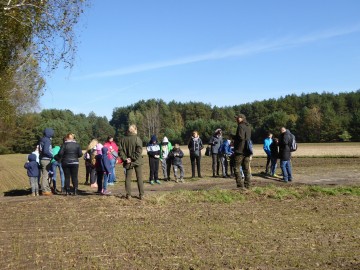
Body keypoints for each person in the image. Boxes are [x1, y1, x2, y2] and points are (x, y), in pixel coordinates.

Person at [119, 124, 144, 200]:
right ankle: (141, 195)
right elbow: (139, 150)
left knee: (128, 178)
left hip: (128, 161)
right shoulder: (137, 139)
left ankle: (128, 195)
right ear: (135, 130)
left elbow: (120, 151)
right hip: (137, 161)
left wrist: (126, 158)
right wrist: (132, 158)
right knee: (139, 178)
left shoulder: (123, 139)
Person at [233, 114, 252, 189]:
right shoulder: (248, 126)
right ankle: (248, 185)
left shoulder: (240, 126)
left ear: (242, 118)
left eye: (237, 118)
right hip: (247, 150)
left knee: (236, 168)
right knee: (246, 169)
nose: (236, 119)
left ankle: (240, 186)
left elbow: (240, 137)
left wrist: (233, 137)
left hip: (240, 150)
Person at [38, 128, 54, 196]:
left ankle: (47, 189)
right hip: (46, 159)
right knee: (45, 175)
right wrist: (51, 155)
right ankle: (45, 190)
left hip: (42, 159)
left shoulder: (42, 140)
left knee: (45, 174)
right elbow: (46, 151)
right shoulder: (47, 140)